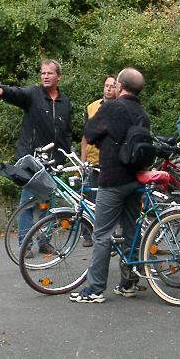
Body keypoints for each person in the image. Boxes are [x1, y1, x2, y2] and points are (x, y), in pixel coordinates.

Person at [70, 67, 151, 303]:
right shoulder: (141, 112)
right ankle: (128, 283)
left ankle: (94, 289)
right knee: (130, 232)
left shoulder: (113, 107)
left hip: (112, 178)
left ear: (119, 86)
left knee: (102, 234)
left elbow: (90, 132)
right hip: (135, 179)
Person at [0, 60, 74, 247]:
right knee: (28, 203)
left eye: (50, 73)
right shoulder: (33, 95)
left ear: (58, 77)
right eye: (43, 73)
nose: (45, 76)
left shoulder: (65, 102)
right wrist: (3, 91)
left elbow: (67, 132)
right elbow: (17, 93)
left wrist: (65, 156)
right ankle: (24, 244)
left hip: (54, 162)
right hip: (32, 160)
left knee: (49, 205)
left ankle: (45, 242)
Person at [78, 75, 118, 245]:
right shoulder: (92, 107)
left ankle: (107, 234)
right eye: (106, 85)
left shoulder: (120, 107)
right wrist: (82, 159)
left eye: (112, 86)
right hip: (92, 160)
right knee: (88, 198)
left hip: (110, 162)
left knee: (106, 200)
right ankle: (87, 234)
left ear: (118, 88)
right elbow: (85, 135)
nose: (108, 88)